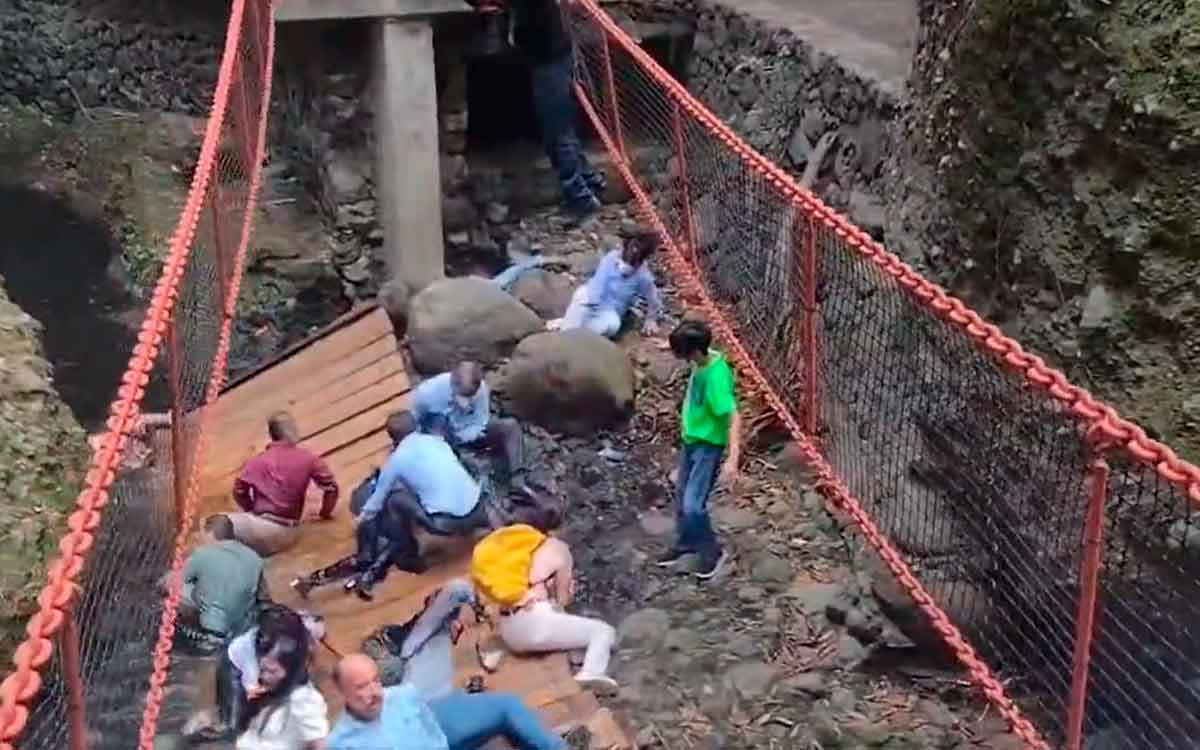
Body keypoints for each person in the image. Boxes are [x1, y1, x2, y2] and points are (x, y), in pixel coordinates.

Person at [359, 580, 588, 750]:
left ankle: (547, 741)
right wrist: (474, 604)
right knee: (507, 706)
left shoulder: (425, 653)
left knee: (494, 728)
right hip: (427, 718)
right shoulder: (424, 636)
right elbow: (455, 591)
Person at [466, 0, 605, 223]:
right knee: (562, 129)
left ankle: (581, 199)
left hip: (551, 60)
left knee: (556, 133)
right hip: (549, 58)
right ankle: (590, 183)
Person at [480, 510, 619, 693]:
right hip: (535, 624)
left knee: (563, 630)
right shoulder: (557, 548)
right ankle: (591, 671)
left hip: (510, 632)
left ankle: (496, 650)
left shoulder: (509, 554)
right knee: (603, 631)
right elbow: (563, 600)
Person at [657, 319, 740, 579]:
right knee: (682, 497)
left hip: (707, 447)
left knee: (694, 505)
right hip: (691, 441)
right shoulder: (703, 357)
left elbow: (734, 417)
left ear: (694, 352)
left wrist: (732, 460)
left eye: (682, 355)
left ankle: (712, 553)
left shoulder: (716, 379)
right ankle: (685, 543)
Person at [185, 606, 327, 743]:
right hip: (234, 665)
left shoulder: (293, 626)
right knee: (233, 726)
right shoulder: (253, 659)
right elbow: (253, 692)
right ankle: (207, 723)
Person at [231, 411, 340, 557]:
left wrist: (249, 508)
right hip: (287, 531)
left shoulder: (256, 462)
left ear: (272, 434)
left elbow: (239, 490)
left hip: (259, 526)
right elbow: (331, 487)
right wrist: (325, 513)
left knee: (216, 526)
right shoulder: (308, 458)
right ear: (291, 432)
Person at [410, 361, 527, 488]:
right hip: (444, 440)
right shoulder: (426, 394)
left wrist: (470, 433)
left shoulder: (481, 389)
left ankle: (517, 478)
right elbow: (413, 423)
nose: (468, 401)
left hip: (471, 434)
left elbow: (481, 420)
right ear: (453, 382)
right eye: (463, 394)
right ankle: (463, 466)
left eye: (471, 396)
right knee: (439, 422)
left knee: (509, 426)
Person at [171, 514, 269, 655]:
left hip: (212, 625)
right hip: (241, 626)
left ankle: (206, 634)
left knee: (177, 591)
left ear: (210, 533)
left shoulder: (202, 554)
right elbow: (264, 598)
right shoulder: (254, 557)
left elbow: (173, 581)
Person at [234, 614, 330, 750]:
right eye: (262, 669)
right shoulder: (268, 692)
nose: (263, 676)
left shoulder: (304, 700)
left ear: (291, 670)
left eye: (272, 671)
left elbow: (319, 746)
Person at [548, 231, 663, 339]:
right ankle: (568, 328)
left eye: (631, 264)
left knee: (613, 324)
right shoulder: (611, 257)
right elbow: (597, 284)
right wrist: (590, 303)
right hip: (592, 300)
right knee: (581, 294)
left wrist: (651, 319)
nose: (625, 267)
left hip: (610, 312)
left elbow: (654, 300)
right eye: (624, 260)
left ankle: (574, 333)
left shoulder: (643, 276)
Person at [327, 653, 452, 750]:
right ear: (342, 693)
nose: (375, 692)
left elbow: (435, 735)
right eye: (362, 686)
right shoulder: (340, 744)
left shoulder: (407, 695)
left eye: (376, 680)